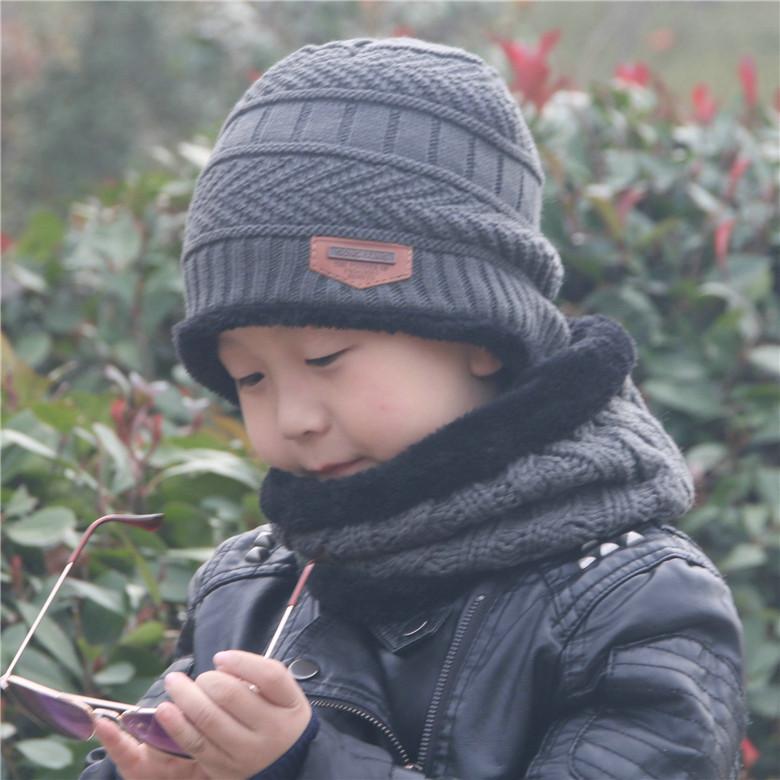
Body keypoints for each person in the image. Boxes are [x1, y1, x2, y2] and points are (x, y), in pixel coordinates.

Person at [81, 37, 744, 780]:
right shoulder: (248, 587)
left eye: (325, 358)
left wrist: (305, 767)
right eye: (251, 377)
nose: (293, 417)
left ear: (480, 336)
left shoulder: (632, 600)